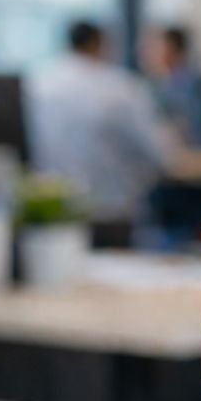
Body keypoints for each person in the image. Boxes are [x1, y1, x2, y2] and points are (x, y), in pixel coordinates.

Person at [26, 20, 174, 245]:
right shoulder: (122, 88)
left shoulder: (35, 85)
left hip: (51, 216)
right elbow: (160, 153)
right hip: (112, 213)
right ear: (99, 44)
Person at [141, 24, 201, 147]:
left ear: (172, 48)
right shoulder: (157, 83)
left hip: (199, 155)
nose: (149, 53)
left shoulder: (197, 84)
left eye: (155, 47)